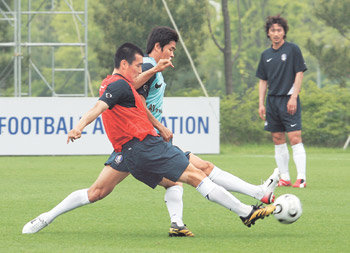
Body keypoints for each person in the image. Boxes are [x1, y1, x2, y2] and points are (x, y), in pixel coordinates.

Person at [22, 43, 276, 235]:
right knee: (195, 174)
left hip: (128, 153)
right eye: (135, 66)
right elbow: (98, 108)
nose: (138, 70)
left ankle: (46, 217)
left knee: (97, 192)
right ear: (124, 65)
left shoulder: (115, 83)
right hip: (145, 146)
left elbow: (131, 92)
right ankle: (246, 212)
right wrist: (78, 127)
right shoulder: (118, 86)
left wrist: (155, 70)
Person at [133, 26, 279, 236]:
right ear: (158, 47)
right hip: (144, 143)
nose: (173, 54)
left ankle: (178, 225)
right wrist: (159, 126)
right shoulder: (148, 66)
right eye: (171, 49)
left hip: (151, 142)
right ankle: (247, 209)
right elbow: (138, 103)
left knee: (199, 169)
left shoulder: (154, 69)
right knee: (97, 192)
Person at [256, 15, 307, 188]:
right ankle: (284, 177)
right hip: (272, 102)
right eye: (273, 30)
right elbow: (263, 81)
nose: (276, 33)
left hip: (289, 100)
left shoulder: (293, 50)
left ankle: (301, 178)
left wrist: (294, 96)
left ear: (284, 32)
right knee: (278, 138)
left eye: (279, 30)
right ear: (268, 33)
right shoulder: (265, 55)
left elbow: (299, 73)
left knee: (295, 137)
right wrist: (261, 103)